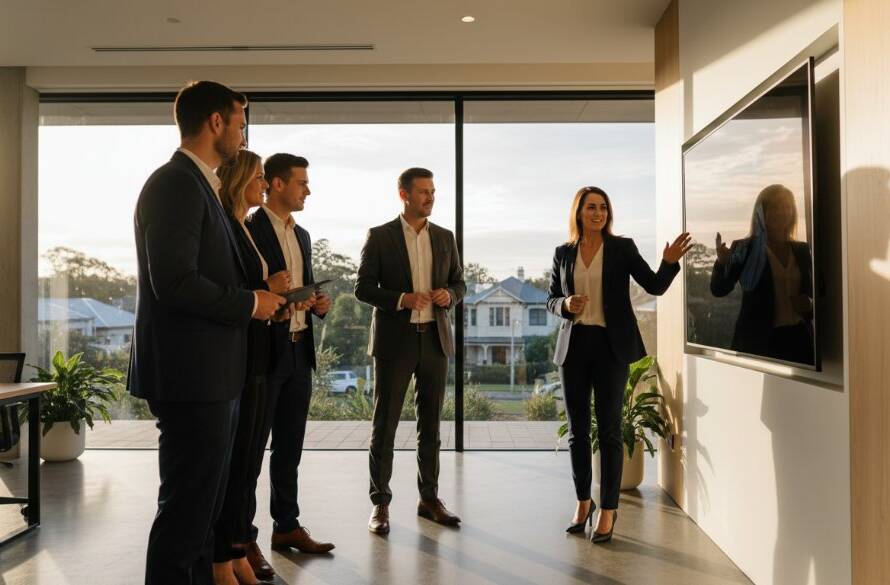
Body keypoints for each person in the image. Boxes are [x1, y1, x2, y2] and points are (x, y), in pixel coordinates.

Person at [129, 81, 284, 585]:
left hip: (214, 375)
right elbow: (173, 282)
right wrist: (250, 302)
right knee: (185, 516)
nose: (243, 134)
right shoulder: (174, 183)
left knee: (200, 519)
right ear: (216, 122)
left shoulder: (205, 187)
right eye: (240, 122)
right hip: (191, 377)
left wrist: (259, 299)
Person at [546, 186, 690, 543]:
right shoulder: (563, 253)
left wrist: (669, 262)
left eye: (603, 207)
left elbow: (655, 285)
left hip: (612, 347)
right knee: (578, 433)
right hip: (574, 346)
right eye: (591, 207)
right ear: (578, 211)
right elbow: (550, 299)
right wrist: (565, 304)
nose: (598, 213)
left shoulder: (622, 248)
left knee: (609, 430)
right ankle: (584, 502)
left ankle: (609, 509)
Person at [355, 167, 466, 535]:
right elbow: (363, 288)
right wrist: (401, 299)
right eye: (423, 192)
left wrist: (449, 295)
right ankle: (380, 504)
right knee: (384, 425)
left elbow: (459, 283)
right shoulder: (380, 236)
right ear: (403, 194)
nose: (430, 197)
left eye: (433, 191)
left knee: (431, 426)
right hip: (394, 341)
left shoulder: (445, 238)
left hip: (435, 339)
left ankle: (429, 499)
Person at [213, 150, 300, 585]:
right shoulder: (241, 227)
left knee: (260, 455)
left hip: (277, 347)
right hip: (245, 357)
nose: (264, 185)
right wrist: (265, 293)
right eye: (260, 178)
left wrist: (288, 304)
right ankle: (234, 549)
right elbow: (231, 289)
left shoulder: (294, 233)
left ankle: (237, 552)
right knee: (239, 462)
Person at [244, 153, 335, 569]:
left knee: (289, 448)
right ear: (277, 184)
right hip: (264, 354)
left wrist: (316, 303)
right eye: (302, 183)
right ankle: (242, 541)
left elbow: (296, 287)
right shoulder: (248, 228)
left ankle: (287, 526)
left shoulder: (303, 235)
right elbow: (243, 288)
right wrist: (266, 287)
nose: (308, 190)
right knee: (250, 451)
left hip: (300, 350)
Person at [710, 184, 815, 364]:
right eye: (774, 207)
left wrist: (809, 303)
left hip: (799, 341)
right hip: (758, 344)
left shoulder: (802, 250)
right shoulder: (745, 248)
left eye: (786, 206)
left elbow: (814, 293)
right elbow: (719, 290)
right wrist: (722, 263)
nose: (781, 212)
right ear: (761, 212)